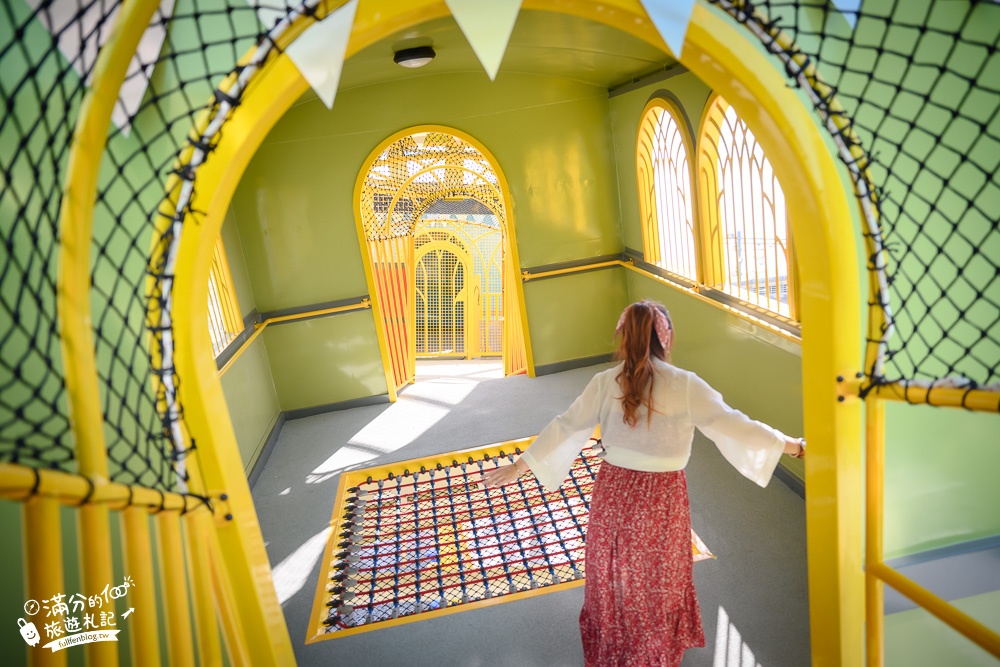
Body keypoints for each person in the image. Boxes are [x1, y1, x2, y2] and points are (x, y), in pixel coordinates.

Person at [482, 300, 804, 667]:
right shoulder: (685, 385)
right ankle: (652, 650)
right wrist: (793, 447)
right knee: (658, 574)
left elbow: (567, 425)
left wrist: (521, 465)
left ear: (624, 337)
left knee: (611, 568)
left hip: (614, 491)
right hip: (661, 497)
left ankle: (614, 648)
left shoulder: (605, 382)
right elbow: (735, 425)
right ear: (665, 339)